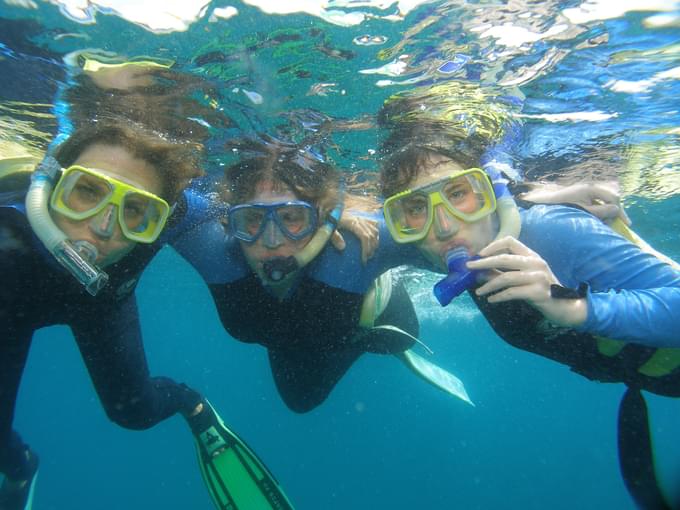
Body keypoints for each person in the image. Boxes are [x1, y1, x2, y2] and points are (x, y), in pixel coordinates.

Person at [376, 92, 680, 509]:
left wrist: (574, 308)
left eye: (459, 194)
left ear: (488, 192)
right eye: (414, 208)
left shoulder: (554, 232)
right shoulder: (434, 244)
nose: (444, 226)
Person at [0, 88, 293, 510]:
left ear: (164, 215)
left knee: (133, 413)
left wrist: (348, 215)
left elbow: (253, 217)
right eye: (86, 192)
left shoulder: (180, 211)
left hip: (103, 304)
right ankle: (20, 464)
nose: (101, 227)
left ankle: (191, 404)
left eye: (136, 211)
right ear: (49, 184)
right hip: (11, 310)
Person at [174, 136, 472, 414]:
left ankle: (375, 295)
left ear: (320, 218)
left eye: (292, 217)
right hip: (296, 340)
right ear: (229, 220)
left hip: (375, 326)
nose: (273, 239)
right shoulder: (214, 250)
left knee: (398, 341)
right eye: (252, 219)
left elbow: (463, 234)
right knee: (300, 402)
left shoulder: (353, 247)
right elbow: (161, 199)